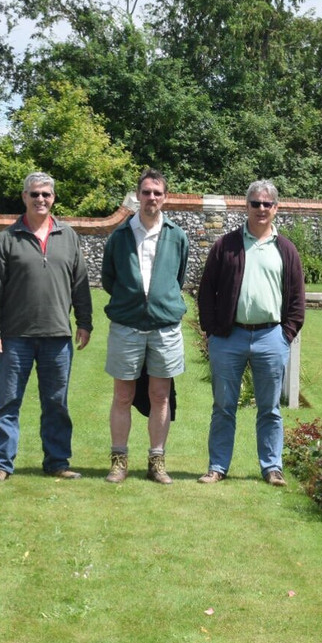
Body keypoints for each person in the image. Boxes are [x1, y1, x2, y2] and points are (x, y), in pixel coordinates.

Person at [0, 171, 93, 481]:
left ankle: (57, 462)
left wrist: (85, 322)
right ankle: (1, 464)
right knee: (7, 402)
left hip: (57, 337)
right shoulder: (7, 238)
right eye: (35, 194)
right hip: (15, 337)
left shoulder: (68, 236)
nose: (40, 199)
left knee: (56, 403)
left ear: (53, 198)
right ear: (24, 198)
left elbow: (80, 283)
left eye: (46, 194)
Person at [197, 180, 305, 486]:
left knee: (269, 408)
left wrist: (286, 334)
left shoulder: (285, 249)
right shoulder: (226, 245)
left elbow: (297, 299)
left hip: (271, 337)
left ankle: (272, 468)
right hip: (229, 338)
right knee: (223, 406)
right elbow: (206, 292)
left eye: (266, 204)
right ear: (246, 206)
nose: (261, 209)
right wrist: (212, 332)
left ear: (276, 208)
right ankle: (217, 467)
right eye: (255, 203)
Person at [101, 169, 189, 484]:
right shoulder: (121, 235)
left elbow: (177, 277)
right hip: (127, 325)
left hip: (164, 328)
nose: (152, 198)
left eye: (157, 193)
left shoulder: (177, 235)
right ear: (138, 195)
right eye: (147, 192)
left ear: (165, 198)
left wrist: (158, 303)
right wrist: (133, 301)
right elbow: (109, 279)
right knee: (123, 395)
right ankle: (119, 461)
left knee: (160, 394)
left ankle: (157, 461)